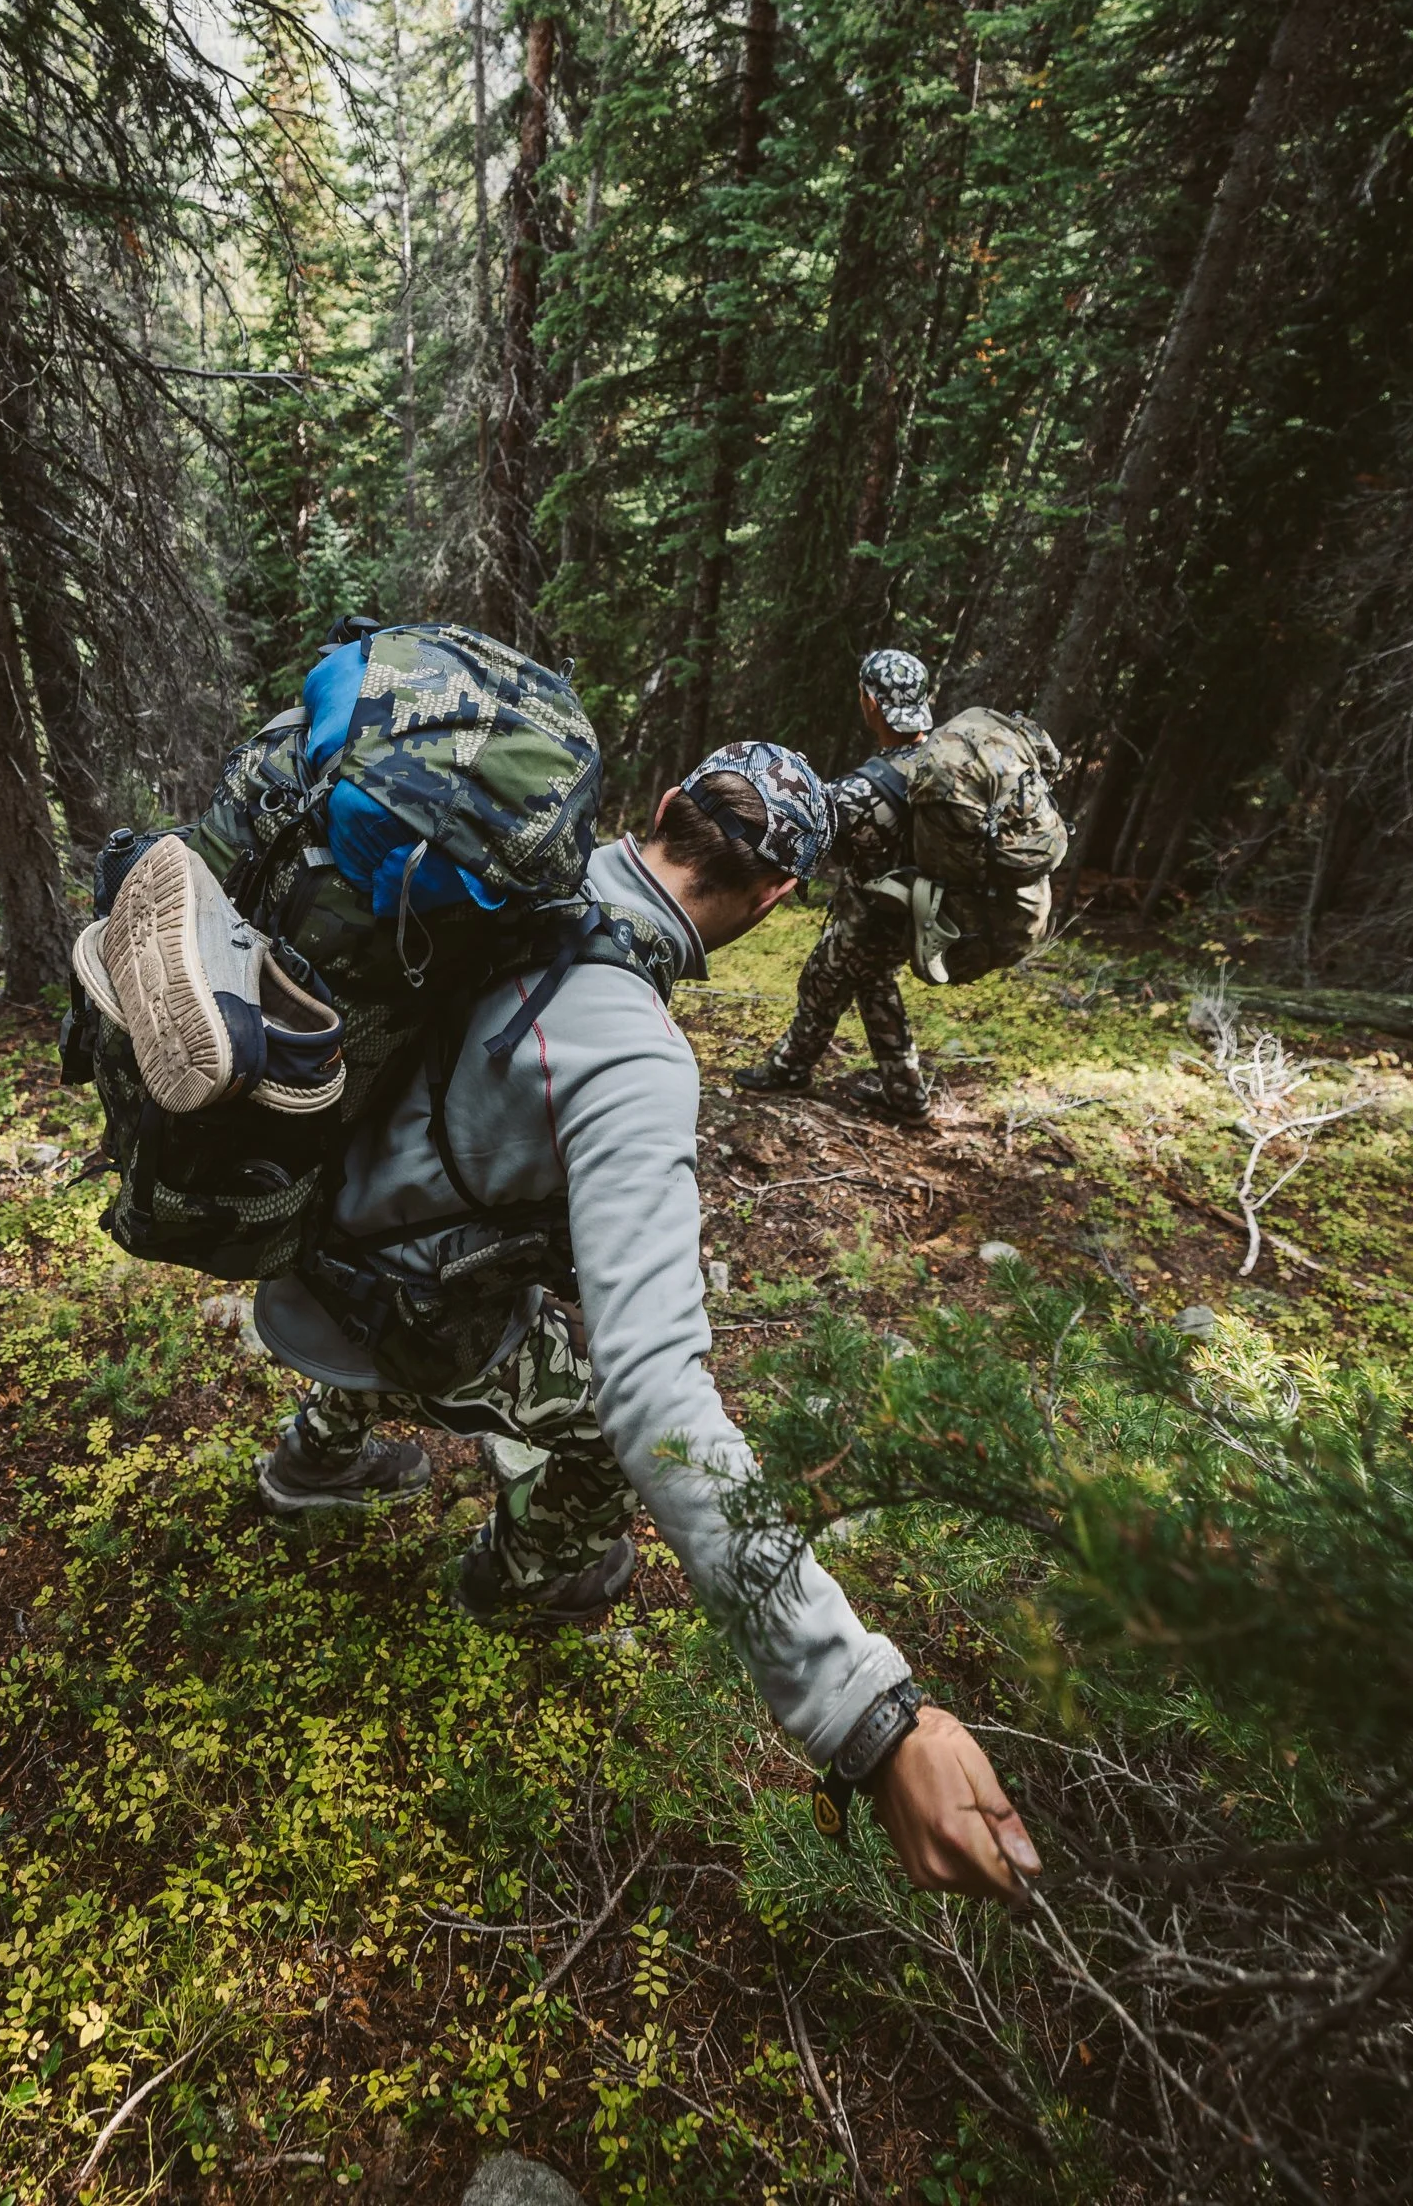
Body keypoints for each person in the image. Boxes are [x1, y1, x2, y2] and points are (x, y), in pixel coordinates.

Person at [126, 733, 1039, 1902]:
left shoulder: (499, 888)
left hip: (312, 1240)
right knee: (609, 1422)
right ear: (773, 897)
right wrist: (860, 1708)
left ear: (658, 808)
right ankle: (510, 1582)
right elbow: (661, 1395)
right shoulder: (634, 1054)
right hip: (387, 1303)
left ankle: (314, 1461)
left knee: (456, 1241)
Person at [735, 647, 939, 1121]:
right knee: (874, 986)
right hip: (924, 912)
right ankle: (908, 1096)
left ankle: (789, 1068)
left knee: (822, 981)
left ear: (870, 702)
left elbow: (812, 834)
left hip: (874, 916)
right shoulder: (945, 767)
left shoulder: (864, 791)